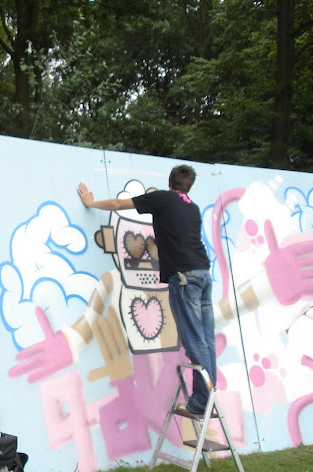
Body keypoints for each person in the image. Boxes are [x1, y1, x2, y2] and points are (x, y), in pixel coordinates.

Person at [77, 165, 215, 414]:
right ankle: (209, 398)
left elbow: (119, 205)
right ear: (189, 185)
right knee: (206, 340)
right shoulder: (192, 208)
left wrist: (90, 202)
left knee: (195, 340)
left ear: (170, 182)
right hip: (203, 274)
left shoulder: (163, 199)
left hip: (184, 277)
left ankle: (202, 402)